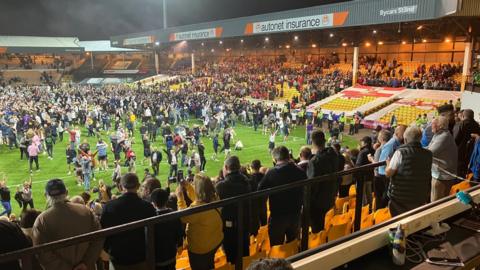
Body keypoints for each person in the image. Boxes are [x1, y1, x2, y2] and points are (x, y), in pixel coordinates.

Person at [32, 179, 103, 270]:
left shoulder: (41, 220)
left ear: (46, 195)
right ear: (66, 192)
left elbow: (42, 253)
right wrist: (86, 263)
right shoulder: (86, 211)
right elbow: (99, 237)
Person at [101, 173, 156, 270]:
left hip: (119, 257)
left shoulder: (109, 207)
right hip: (142, 256)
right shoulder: (148, 207)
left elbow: (104, 232)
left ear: (120, 187)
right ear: (138, 186)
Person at [259, 146, 306, 245]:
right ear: (288, 156)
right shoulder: (299, 171)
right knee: (293, 244)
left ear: (275, 159)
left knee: (276, 246)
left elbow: (260, 192)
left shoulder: (271, 173)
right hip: (295, 214)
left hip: (278, 217)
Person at [177, 174, 223, 270]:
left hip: (200, 248)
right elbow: (200, 198)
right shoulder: (215, 198)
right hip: (215, 241)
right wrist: (188, 187)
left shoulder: (197, 208)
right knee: (209, 263)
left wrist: (180, 198)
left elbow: (183, 217)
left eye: (194, 184)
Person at [386, 126, 432, 216]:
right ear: (420, 138)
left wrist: (388, 164)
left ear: (405, 139)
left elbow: (388, 173)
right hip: (420, 196)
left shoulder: (400, 152)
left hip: (400, 199)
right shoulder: (428, 154)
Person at [215, 156, 251, 264]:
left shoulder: (221, 186)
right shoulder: (247, 182)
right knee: (244, 255)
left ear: (226, 167)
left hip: (229, 229)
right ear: (239, 167)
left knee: (231, 259)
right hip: (245, 225)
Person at [306, 130, 339, 233]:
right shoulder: (334, 155)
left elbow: (311, 185)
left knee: (317, 229)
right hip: (330, 196)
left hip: (318, 202)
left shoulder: (315, 161)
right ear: (324, 141)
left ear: (312, 142)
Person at [150, 188, 183, 270]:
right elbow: (179, 232)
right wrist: (180, 245)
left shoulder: (151, 218)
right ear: (167, 200)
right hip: (171, 254)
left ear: (153, 203)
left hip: (157, 257)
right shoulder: (174, 214)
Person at [428, 117, 458, 201]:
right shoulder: (438, 134)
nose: (431, 126)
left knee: (435, 203)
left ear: (440, 126)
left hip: (442, 176)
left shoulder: (443, 136)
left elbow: (429, 153)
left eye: (433, 124)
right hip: (439, 174)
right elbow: (429, 147)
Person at [454, 109, 480, 177]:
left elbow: (456, 139)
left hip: (460, 152)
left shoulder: (460, 124)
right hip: (472, 152)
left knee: (459, 171)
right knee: (468, 171)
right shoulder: (477, 125)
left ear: (463, 116)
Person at [355, 136, 375, 208]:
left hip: (362, 178)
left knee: (362, 197)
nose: (361, 143)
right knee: (369, 194)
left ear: (365, 143)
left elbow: (358, 165)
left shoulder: (363, 152)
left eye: (362, 142)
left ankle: (363, 213)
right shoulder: (373, 150)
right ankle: (370, 210)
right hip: (369, 176)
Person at [249, 160, 267, 234]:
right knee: (264, 225)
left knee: (255, 228)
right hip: (263, 204)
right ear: (260, 166)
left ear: (251, 167)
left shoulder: (249, 179)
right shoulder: (265, 177)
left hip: (254, 206)